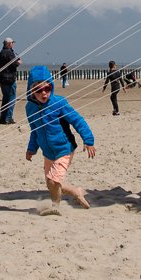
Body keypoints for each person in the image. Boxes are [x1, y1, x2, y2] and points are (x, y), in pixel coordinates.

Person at [24, 66, 95, 214]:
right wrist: (32, 148)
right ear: (31, 91)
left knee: (53, 181)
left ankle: (55, 207)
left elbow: (77, 120)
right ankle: (76, 192)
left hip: (64, 149)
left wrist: (88, 140)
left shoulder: (59, 103)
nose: (44, 93)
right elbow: (34, 130)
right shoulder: (30, 108)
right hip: (48, 153)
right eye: (39, 90)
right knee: (52, 184)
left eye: (47, 88)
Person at [0, 38, 21, 124]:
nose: (12, 45)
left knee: (6, 98)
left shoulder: (0, 53)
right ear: (9, 44)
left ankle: (3, 117)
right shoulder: (9, 53)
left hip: (1, 78)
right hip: (9, 78)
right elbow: (13, 64)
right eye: (12, 43)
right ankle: (8, 117)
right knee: (12, 98)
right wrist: (18, 62)